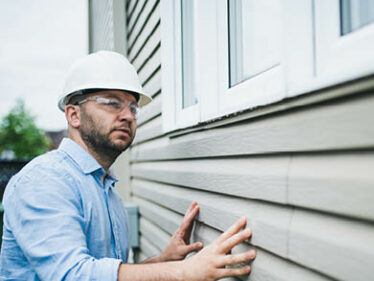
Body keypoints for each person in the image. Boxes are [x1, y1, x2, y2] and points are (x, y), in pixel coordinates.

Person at [0, 51, 256, 281]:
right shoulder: (44, 181)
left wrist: (164, 260)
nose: (127, 116)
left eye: (133, 108)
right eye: (112, 103)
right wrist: (182, 272)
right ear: (73, 115)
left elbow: (109, 274)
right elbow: (72, 274)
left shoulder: (105, 190)